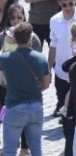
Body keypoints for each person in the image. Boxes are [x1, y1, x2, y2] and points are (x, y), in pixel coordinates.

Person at [0, 22, 50, 156]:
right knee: (36, 149)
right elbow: (46, 84)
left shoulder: (4, 58)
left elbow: (1, 80)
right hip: (36, 107)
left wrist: (8, 43)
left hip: (14, 107)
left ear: (14, 38)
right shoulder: (41, 57)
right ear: (30, 38)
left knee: (9, 150)